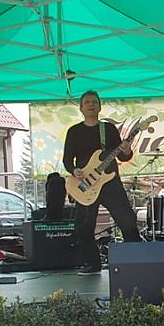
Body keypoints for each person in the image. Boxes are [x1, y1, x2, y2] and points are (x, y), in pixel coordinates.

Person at [62, 90, 142, 274]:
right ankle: (92, 264)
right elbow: (67, 160)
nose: (91, 105)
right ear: (81, 108)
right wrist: (74, 170)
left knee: (128, 221)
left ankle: (137, 260)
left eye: (94, 102)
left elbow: (122, 156)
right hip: (86, 183)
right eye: (87, 102)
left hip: (110, 182)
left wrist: (127, 150)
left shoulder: (108, 129)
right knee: (84, 225)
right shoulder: (74, 131)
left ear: (99, 107)